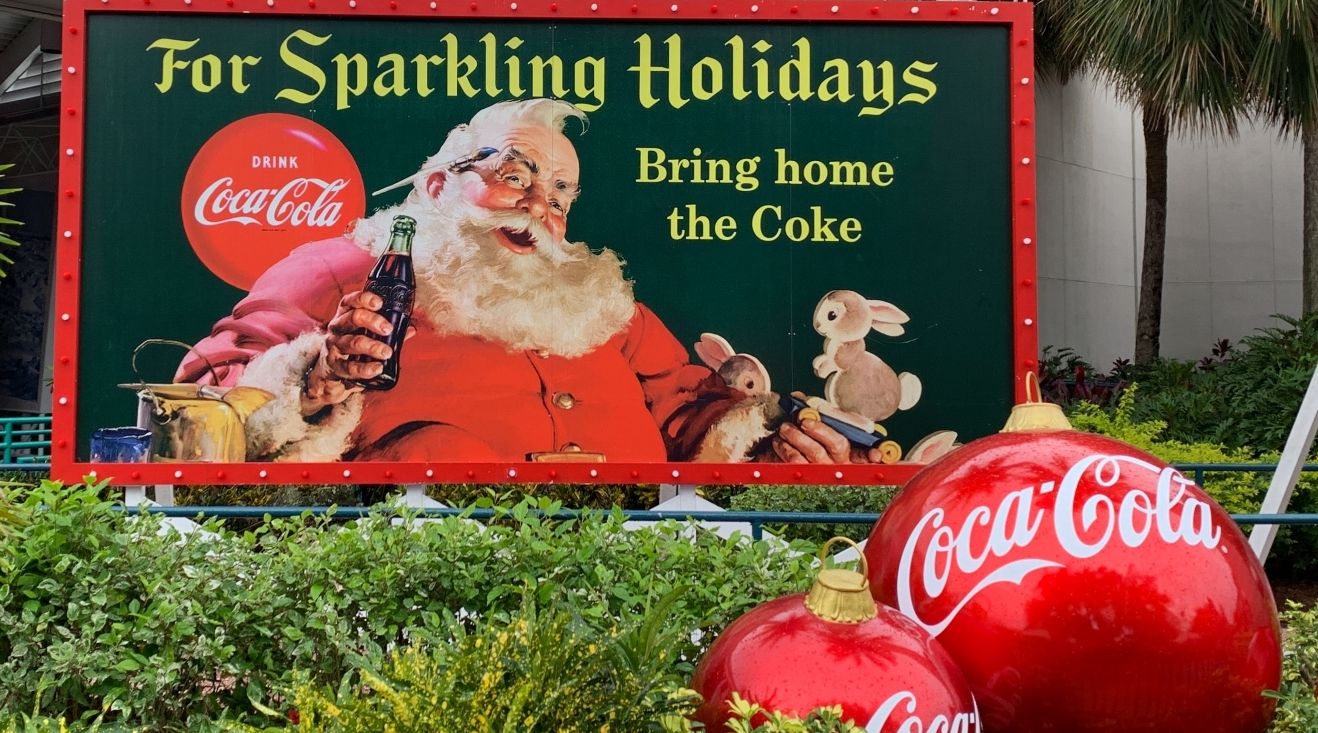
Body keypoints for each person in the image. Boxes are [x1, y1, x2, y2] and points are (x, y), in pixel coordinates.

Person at [174, 98, 863, 465]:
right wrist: (316, 379)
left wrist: (767, 442)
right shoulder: (344, 269)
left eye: (562, 193)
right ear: (440, 186)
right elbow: (201, 406)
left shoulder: (603, 304)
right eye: (514, 176)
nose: (540, 207)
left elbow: (684, 410)